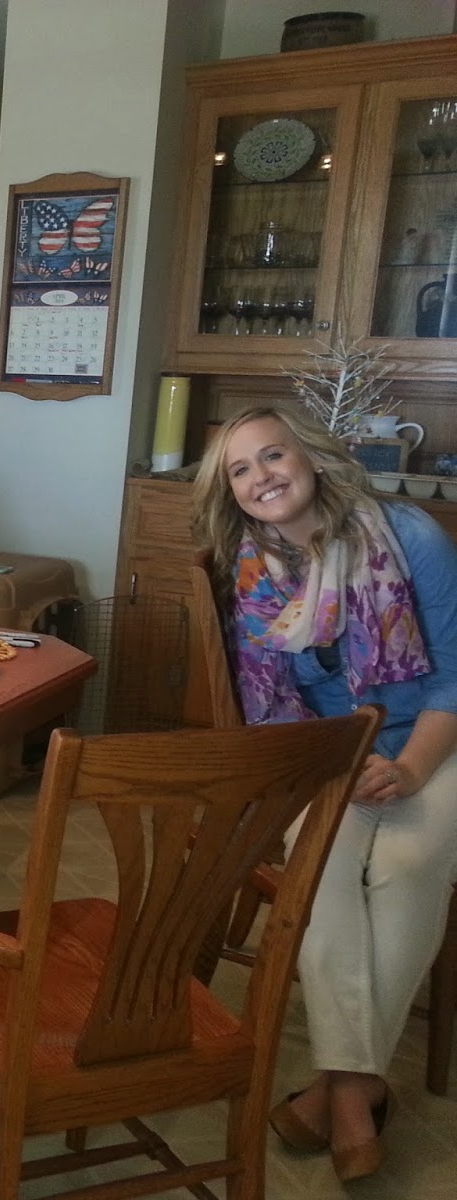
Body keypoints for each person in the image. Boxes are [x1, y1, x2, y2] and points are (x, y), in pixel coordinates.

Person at [191, 404, 457, 1183]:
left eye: (273, 456)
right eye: (240, 470)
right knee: (325, 864)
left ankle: (336, 1088)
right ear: (231, 492)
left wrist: (407, 768)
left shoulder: (409, 537)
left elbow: (452, 676)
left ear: (311, 458)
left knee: (406, 864)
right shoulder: (253, 569)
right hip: (323, 758)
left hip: (433, 744)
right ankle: (359, 1091)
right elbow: (274, 708)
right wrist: (332, 768)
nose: (261, 478)